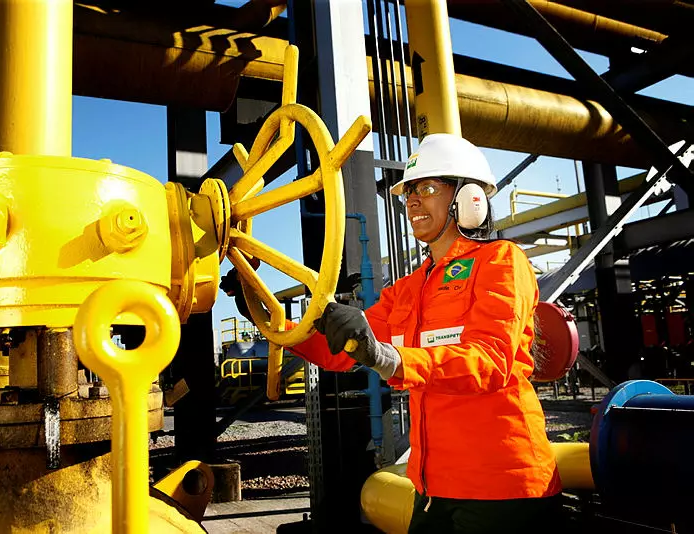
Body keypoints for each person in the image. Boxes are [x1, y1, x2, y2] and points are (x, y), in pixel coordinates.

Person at [221, 133, 563, 533]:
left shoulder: (502, 262)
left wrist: (392, 359)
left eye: (428, 188)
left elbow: (490, 360)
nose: (413, 200)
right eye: (408, 193)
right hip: (433, 488)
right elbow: (343, 351)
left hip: (505, 488)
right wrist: (267, 313)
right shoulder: (408, 288)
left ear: (471, 198)